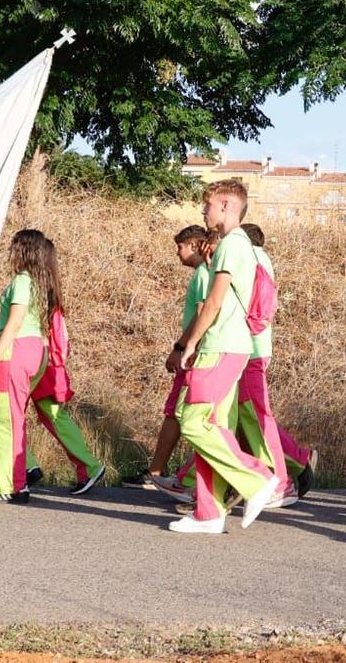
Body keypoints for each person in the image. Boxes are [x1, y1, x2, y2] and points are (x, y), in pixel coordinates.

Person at [168, 181, 281, 534]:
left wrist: (189, 343)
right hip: (233, 346)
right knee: (213, 428)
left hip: (220, 346)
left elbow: (213, 303)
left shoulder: (232, 245)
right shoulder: (239, 245)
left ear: (228, 206)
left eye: (209, 206)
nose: (204, 212)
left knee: (192, 421)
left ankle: (257, 478)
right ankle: (209, 512)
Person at [0, 229, 56, 503]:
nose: (10, 252)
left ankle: (11, 487)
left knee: (4, 419)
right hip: (34, 351)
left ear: (23, 251)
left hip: (15, 352)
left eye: (14, 247)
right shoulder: (41, 281)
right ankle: (8, 477)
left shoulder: (22, 281)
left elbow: (15, 321)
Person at [232, 223, 316, 507]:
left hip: (250, 350)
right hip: (251, 349)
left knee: (256, 415)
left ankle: (285, 477)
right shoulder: (258, 257)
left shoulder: (251, 257)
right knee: (248, 418)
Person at [26, 235, 104, 495]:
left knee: (5, 413)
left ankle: (27, 466)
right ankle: (86, 467)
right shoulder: (50, 288)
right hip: (49, 362)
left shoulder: (37, 289)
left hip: (41, 361)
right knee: (53, 417)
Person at [141, 226, 213, 498]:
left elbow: (202, 314)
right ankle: (159, 471)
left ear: (194, 245)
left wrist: (181, 347)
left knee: (179, 412)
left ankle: (160, 473)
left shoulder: (203, 275)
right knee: (177, 411)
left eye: (180, 246)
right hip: (194, 352)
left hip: (194, 354)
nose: (177, 252)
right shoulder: (202, 274)